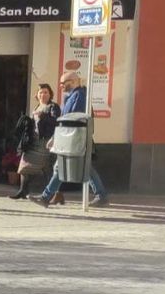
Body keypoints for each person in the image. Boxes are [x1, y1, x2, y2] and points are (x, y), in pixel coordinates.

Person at [35, 73, 110, 207]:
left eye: (64, 83)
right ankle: (46, 197)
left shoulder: (79, 96)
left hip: (75, 139)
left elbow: (72, 118)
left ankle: (46, 197)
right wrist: (55, 137)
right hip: (70, 139)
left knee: (76, 168)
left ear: (73, 81)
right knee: (67, 168)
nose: (61, 86)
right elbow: (64, 121)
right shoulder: (71, 97)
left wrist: (56, 137)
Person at [10, 83, 60, 200]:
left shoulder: (53, 106)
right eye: (41, 92)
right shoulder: (37, 107)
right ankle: (23, 191)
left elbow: (56, 121)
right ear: (37, 95)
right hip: (33, 140)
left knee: (46, 167)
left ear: (50, 94)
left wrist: (43, 116)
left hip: (45, 141)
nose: (43, 95)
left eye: (46, 92)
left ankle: (52, 194)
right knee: (24, 165)